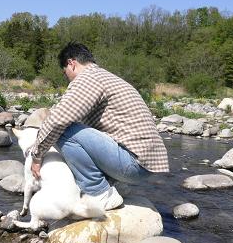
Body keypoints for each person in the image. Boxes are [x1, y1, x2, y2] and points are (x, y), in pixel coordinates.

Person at [30, 42, 169, 210]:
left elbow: (57, 120)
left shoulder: (88, 78)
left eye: (64, 72)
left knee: (63, 129)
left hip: (133, 163)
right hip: (146, 162)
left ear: (71, 63)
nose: (66, 77)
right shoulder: (105, 77)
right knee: (71, 127)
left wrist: (37, 156)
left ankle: (100, 193)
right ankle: (109, 186)